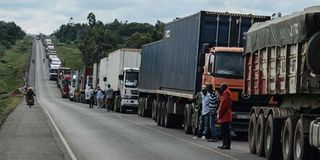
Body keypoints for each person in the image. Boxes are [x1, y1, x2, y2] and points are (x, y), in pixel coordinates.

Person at [217, 83, 232, 150]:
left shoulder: (226, 94)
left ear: (224, 87)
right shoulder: (226, 94)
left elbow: (223, 106)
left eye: (221, 87)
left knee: (225, 131)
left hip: (225, 115)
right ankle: (224, 144)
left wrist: (219, 114)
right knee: (224, 131)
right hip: (225, 115)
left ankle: (226, 145)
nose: (220, 89)